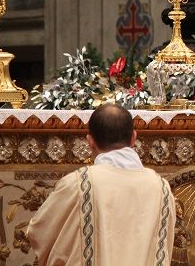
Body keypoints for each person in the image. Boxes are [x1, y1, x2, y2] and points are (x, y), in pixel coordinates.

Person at [27, 103, 176, 265]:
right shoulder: (161, 187)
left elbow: (39, 232)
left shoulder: (77, 185)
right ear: (134, 138)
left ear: (90, 141)